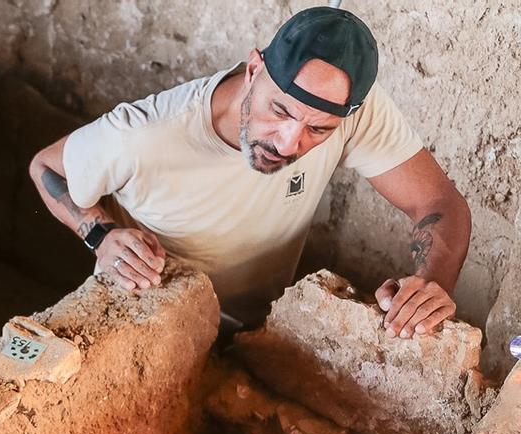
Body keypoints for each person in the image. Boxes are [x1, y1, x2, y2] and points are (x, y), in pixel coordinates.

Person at [29, 6, 471, 336]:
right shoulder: (144, 135)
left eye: (317, 130)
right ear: (255, 67)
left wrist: (429, 285)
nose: (287, 142)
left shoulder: (349, 110)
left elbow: (438, 203)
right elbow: (46, 166)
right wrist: (101, 236)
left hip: (257, 333)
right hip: (150, 327)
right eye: (278, 109)